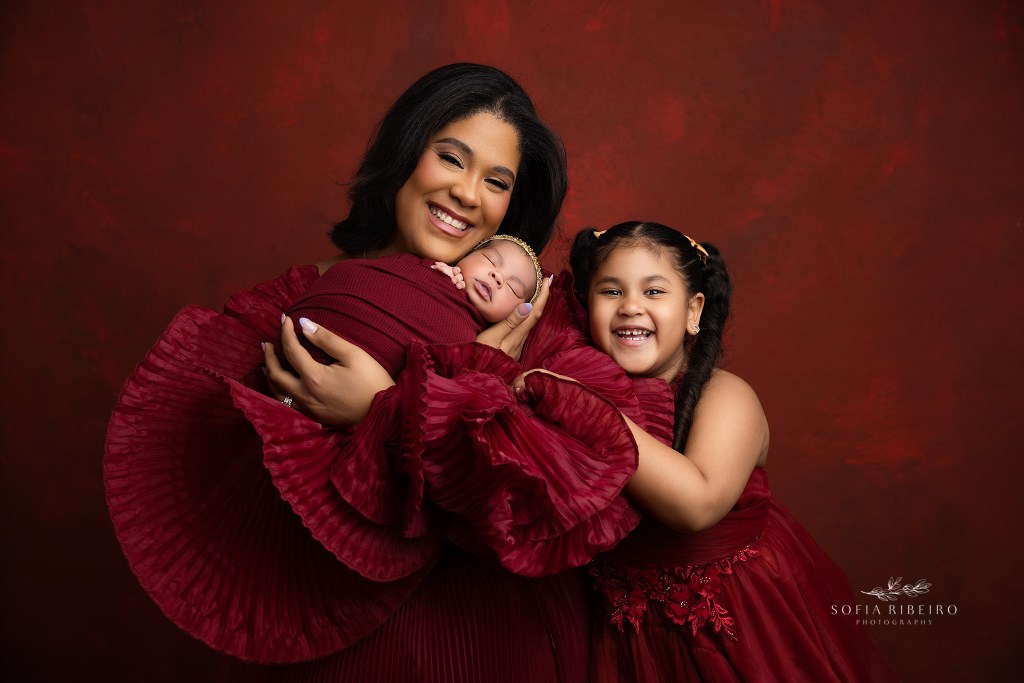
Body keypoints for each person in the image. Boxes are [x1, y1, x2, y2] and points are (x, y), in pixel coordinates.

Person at [106, 63, 643, 682]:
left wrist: (385, 406)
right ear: (406, 152)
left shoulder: (530, 312)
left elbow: (568, 485)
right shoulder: (310, 293)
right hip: (346, 627)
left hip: (491, 636)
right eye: (450, 157)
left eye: (496, 181)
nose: (468, 194)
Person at [560, 221, 899, 681]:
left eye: (654, 292)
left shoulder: (725, 397)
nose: (631, 307)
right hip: (625, 633)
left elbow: (696, 505)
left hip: (738, 625)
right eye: (611, 291)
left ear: (693, 311)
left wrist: (584, 407)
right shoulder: (575, 386)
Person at [282, 234, 544, 371]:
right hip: (310, 330)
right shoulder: (428, 267)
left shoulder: (478, 342)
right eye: (490, 260)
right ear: (466, 254)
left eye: (512, 287)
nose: (497, 277)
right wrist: (434, 271)